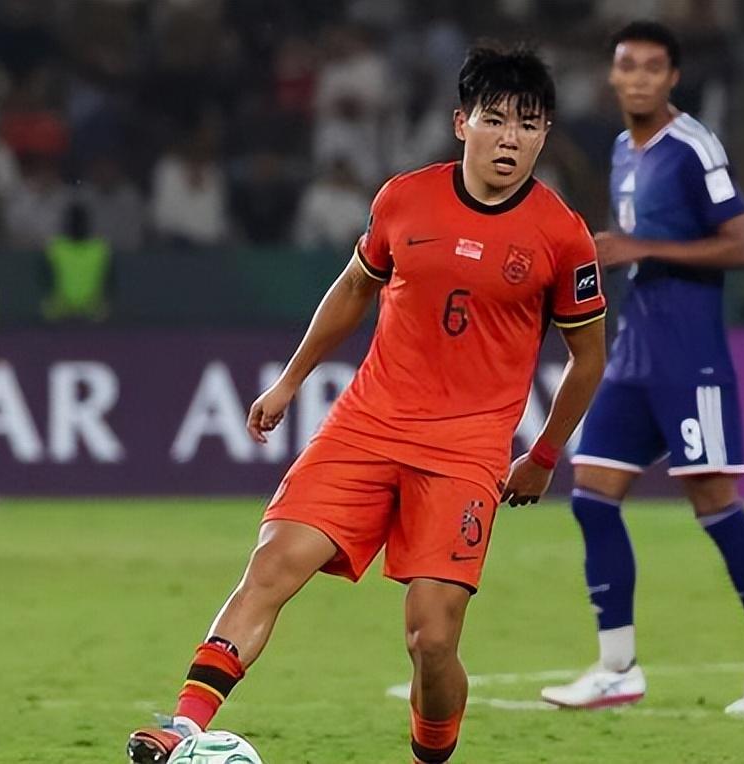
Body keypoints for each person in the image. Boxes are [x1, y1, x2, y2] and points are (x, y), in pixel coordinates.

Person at [126, 43, 608, 763]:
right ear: (462, 123)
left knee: (431, 637)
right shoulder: (403, 199)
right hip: (368, 424)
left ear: (545, 136)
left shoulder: (562, 235)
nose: (510, 138)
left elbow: (589, 356)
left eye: (529, 125)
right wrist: (291, 380)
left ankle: (430, 752)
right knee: (272, 563)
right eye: (495, 119)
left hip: (465, 450)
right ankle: (185, 726)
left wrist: (542, 455)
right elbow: (355, 286)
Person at [540, 21, 744, 714]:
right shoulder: (621, 150)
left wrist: (642, 249)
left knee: (713, 501)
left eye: (651, 67)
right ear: (612, 75)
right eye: (626, 65)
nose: (637, 78)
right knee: (592, 493)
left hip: (690, 357)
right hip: (635, 352)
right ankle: (617, 667)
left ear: (672, 78)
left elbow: (743, 246)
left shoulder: (694, 147)